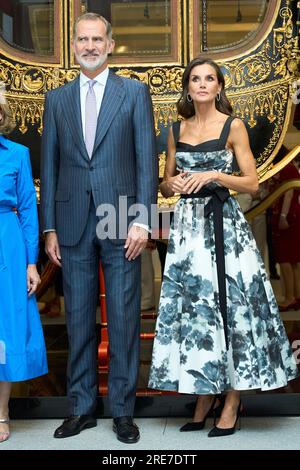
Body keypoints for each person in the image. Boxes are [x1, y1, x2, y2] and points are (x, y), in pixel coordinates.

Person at [148, 57, 298, 437]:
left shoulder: (233, 127)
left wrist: (214, 174)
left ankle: (231, 398)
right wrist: (172, 187)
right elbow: (164, 183)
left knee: (231, 307)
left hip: (224, 227)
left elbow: (251, 182)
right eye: (195, 79)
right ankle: (204, 392)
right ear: (187, 87)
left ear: (218, 87)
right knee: (197, 310)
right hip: (187, 230)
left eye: (209, 79)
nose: (201, 84)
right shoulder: (174, 129)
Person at [40, 13, 157, 443]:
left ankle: (123, 412)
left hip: (123, 219)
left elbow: (147, 161)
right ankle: (83, 408)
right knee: (78, 322)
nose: (89, 46)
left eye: (97, 39)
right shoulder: (57, 99)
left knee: (124, 318)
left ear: (110, 44)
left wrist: (144, 220)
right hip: (71, 224)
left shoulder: (133, 93)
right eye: (82, 39)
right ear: (74, 46)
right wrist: (49, 228)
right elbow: (49, 167)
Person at [0, 83, 48, 443]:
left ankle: (2, 413)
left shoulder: (16, 153)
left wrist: (32, 263)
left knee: (7, 327)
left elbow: (29, 211)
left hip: (8, 243)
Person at [271, 159, 300, 311]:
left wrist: (283, 215)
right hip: (293, 213)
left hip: (287, 214)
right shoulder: (289, 168)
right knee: (293, 258)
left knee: (284, 258)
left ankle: (289, 298)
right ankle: (295, 296)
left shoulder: (286, 168)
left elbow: (288, 192)